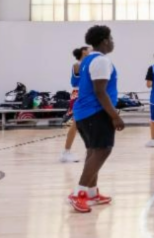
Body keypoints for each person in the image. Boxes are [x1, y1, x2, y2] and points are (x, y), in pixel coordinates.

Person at [68, 25, 124, 213]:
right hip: (95, 112)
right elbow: (100, 92)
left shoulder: (87, 59)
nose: (113, 41)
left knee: (94, 151)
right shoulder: (101, 61)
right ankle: (79, 194)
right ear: (104, 40)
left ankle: (91, 193)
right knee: (102, 150)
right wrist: (115, 116)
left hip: (84, 112)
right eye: (111, 38)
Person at [61, 46, 89, 163]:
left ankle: (90, 151)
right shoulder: (78, 65)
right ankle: (66, 152)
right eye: (89, 50)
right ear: (83, 52)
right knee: (77, 124)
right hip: (79, 95)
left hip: (86, 94)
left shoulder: (88, 64)